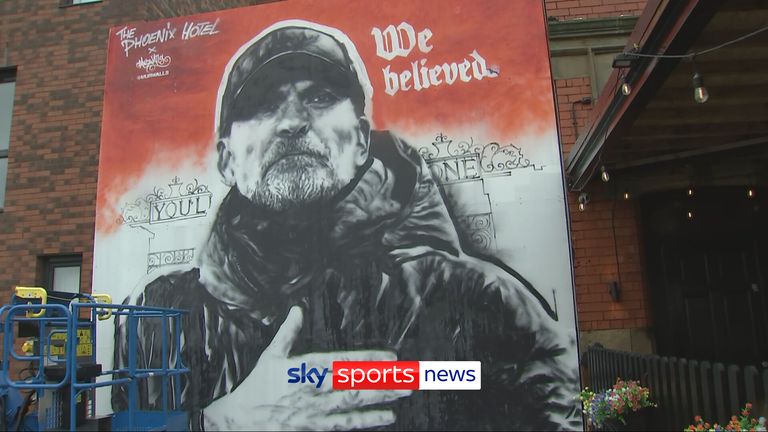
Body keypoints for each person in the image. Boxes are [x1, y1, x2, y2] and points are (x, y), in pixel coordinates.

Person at [112, 20, 581, 431]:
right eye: (261, 105)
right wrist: (219, 425)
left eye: (319, 97)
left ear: (360, 140)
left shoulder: (472, 297)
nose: (293, 121)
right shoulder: (159, 316)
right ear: (226, 160)